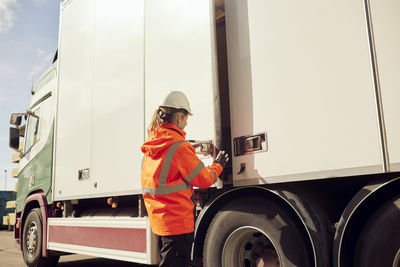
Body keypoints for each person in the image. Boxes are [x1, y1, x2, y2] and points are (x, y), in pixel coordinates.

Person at [141, 91, 229, 267]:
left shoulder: (152, 146)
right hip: (178, 223)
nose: (187, 122)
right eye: (186, 117)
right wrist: (218, 165)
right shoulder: (179, 147)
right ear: (179, 117)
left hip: (161, 223)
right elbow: (204, 179)